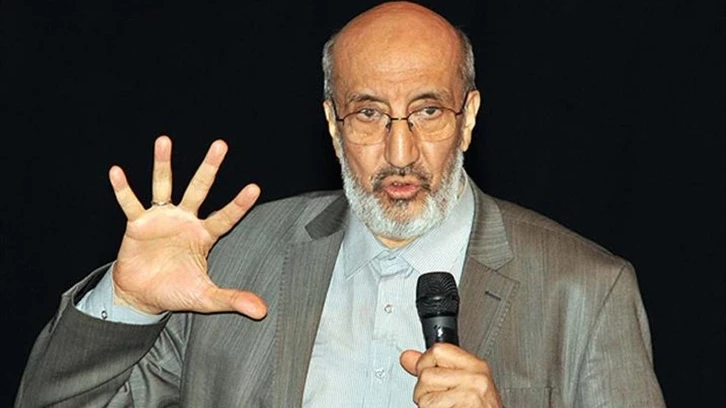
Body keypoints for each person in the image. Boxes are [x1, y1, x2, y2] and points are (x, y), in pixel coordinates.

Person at [15, 2, 665, 407]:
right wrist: (128, 302)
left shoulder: (586, 291)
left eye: (428, 111)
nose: (400, 152)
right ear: (332, 124)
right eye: (369, 114)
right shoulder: (233, 264)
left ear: (468, 118)